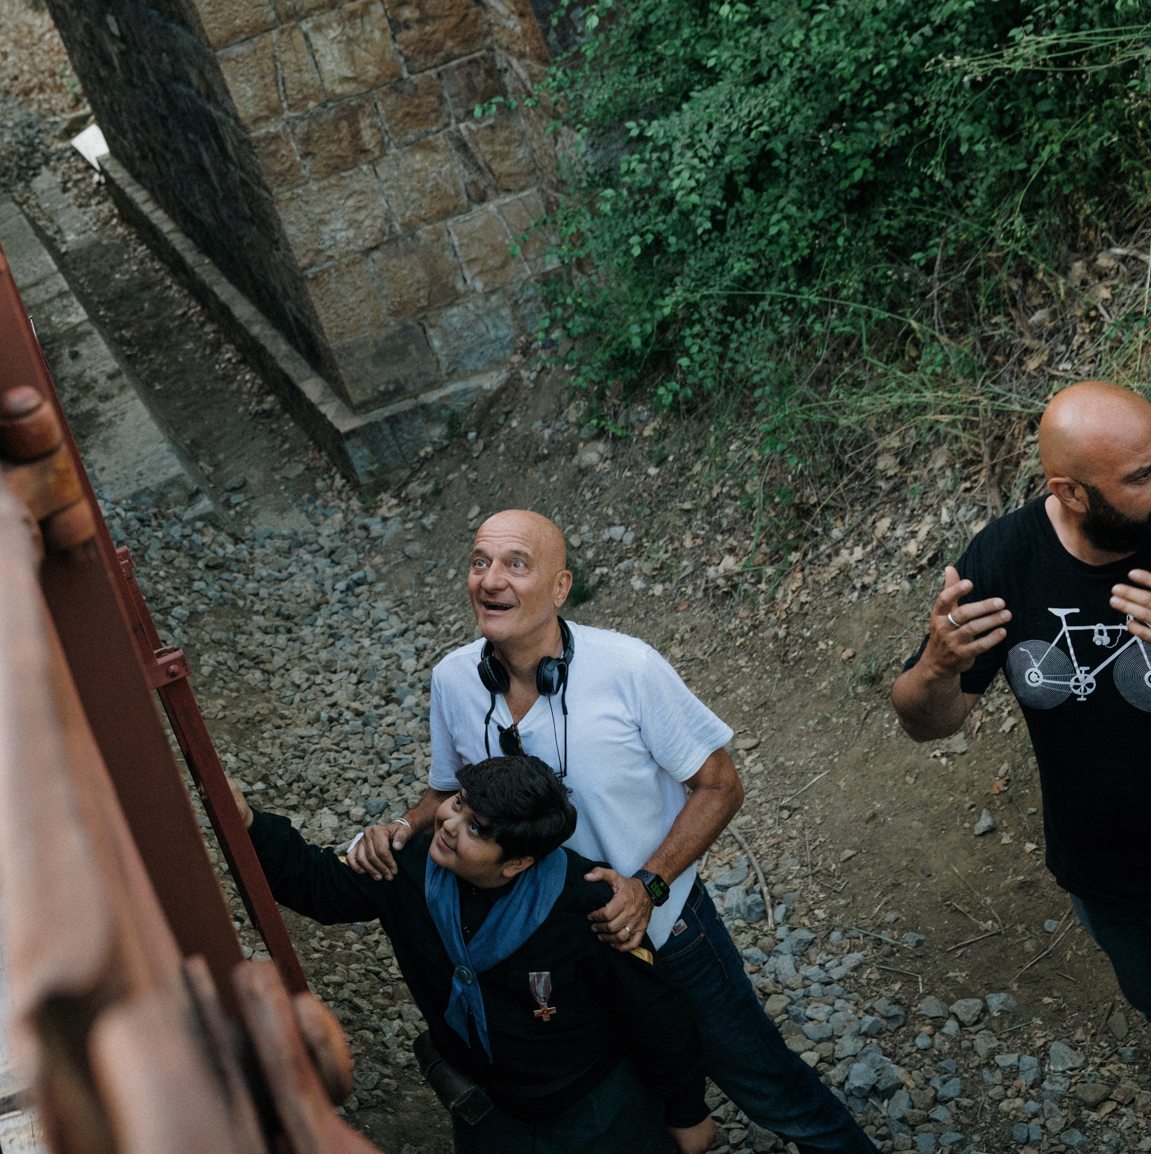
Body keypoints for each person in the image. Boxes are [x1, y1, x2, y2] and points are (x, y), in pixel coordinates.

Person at [348, 509, 875, 1154]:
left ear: (561, 587)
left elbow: (720, 786)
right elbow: (442, 792)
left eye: (516, 564)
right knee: (629, 1104)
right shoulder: (453, 679)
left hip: (663, 935)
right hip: (551, 954)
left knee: (771, 1091)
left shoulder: (630, 668)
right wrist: (402, 826)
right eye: (480, 562)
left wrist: (648, 886)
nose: (491, 580)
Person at [236, 754, 715, 1153]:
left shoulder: (589, 906)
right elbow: (318, 885)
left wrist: (687, 1113)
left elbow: (655, 1012)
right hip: (489, 1111)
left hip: (594, 1108)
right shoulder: (408, 867)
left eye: (477, 829)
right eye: (459, 802)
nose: (448, 824)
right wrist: (248, 822)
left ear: (518, 862)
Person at [895, 380, 1151, 1017]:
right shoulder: (1006, 558)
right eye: (1142, 477)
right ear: (1071, 492)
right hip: (1110, 872)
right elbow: (926, 722)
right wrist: (936, 665)